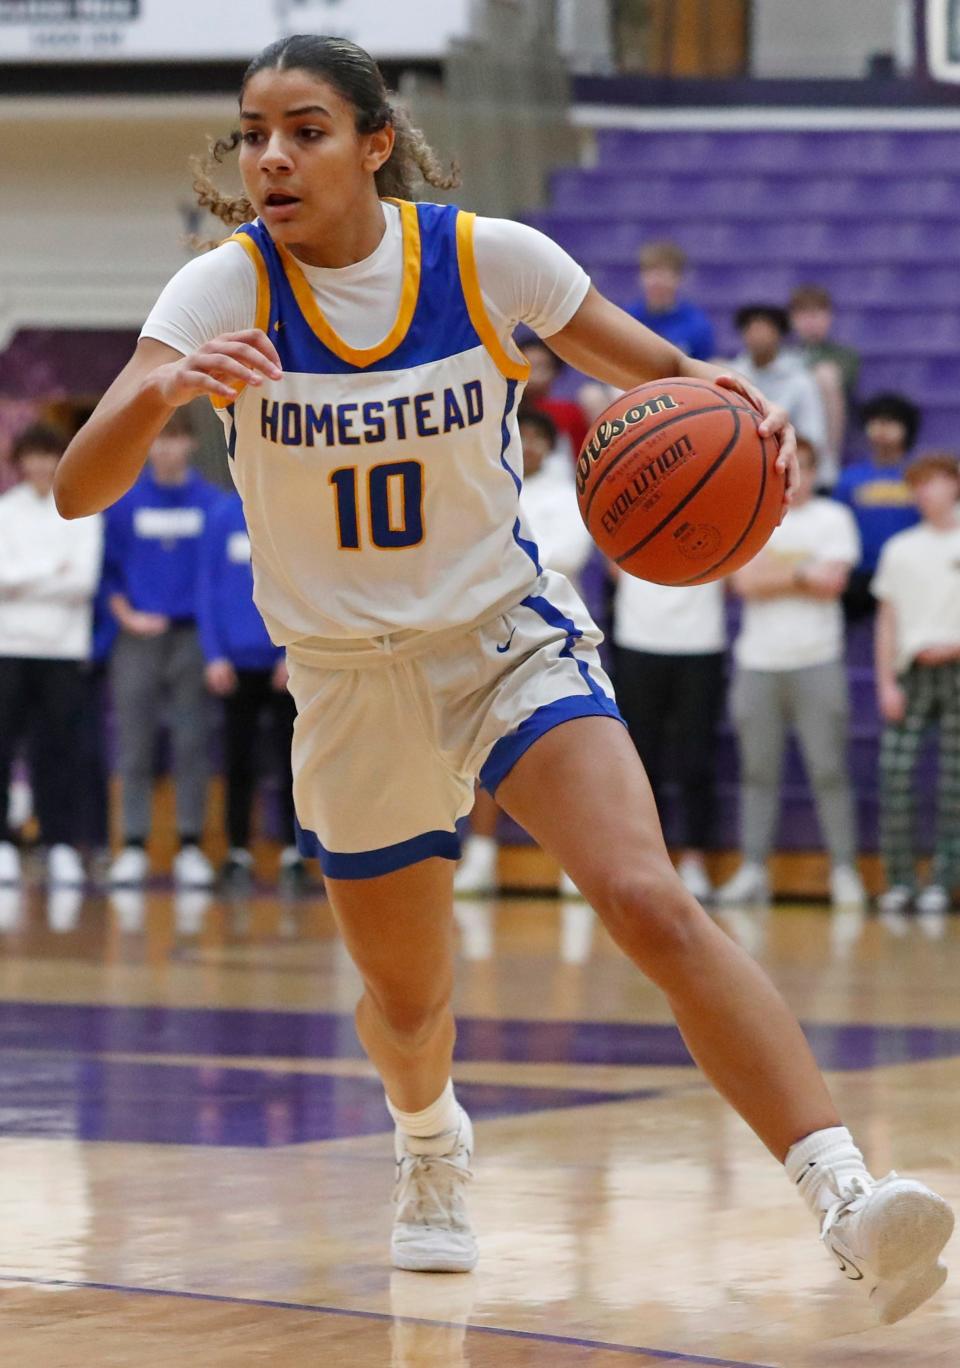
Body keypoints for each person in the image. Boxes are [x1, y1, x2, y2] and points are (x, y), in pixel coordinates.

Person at [53, 34, 952, 1321]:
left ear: (374, 143)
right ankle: (429, 1147)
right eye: (254, 133)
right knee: (409, 1007)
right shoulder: (220, 293)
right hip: (348, 681)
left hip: (500, 636)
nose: (270, 157)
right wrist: (163, 393)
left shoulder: (487, 260)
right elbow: (84, 487)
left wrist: (750, 420)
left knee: (649, 899)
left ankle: (847, 1199)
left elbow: (669, 378)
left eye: (304, 130)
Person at [719, 438, 866, 910]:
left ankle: (844, 871)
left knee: (829, 770)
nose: (795, 474)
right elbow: (744, 584)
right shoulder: (753, 516)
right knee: (757, 772)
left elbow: (833, 585)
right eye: (789, 465)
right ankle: (753, 870)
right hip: (758, 662)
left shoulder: (834, 519)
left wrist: (778, 577)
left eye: (804, 465)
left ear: (814, 471)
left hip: (817, 659)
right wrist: (803, 575)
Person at [454, 406, 593, 896]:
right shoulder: (490, 488)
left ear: (550, 447)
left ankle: (575, 866)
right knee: (485, 752)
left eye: (538, 437)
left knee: (569, 751)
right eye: (522, 434)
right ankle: (481, 856)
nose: (528, 444)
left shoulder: (568, 497)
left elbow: (566, 557)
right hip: (490, 633)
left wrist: (504, 561)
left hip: (555, 639)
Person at [101, 409, 221, 888]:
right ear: (149, 446)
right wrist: (127, 615)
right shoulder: (124, 503)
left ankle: (190, 844)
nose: (168, 449)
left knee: (192, 742)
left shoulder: (214, 505)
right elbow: (107, 572)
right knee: (135, 742)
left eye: (177, 439)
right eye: (160, 440)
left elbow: (220, 578)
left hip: (193, 637)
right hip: (138, 638)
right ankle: (132, 844)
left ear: (191, 444)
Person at [0, 424, 103, 886]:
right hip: (10, 646)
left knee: (60, 750)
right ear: (19, 461)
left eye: (49, 455)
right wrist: (49, 570)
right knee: (4, 748)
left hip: (64, 650)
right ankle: (4, 843)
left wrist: (25, 579)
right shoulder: (6, 511)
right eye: (33, 456)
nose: (41, 465)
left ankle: (59, 842)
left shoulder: (82, 509)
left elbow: (82, 582)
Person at [197, 488, 305, 890]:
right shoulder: (220, 515)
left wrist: (292, 654)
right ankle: (237, 850)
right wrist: (214, 655)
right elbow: (205, 588)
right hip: (234, 666)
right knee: (237, 761)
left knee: (293, 762)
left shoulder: (293, 510)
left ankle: (296, 851)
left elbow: (307, 588)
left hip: (284, 667)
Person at [872, 453, 960, 916]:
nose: (925, 492)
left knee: (954, 784)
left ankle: (943, 884)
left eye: (933, 482)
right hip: (912, 671)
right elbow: (886, 622)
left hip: (957, 668)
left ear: (953, 485)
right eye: (918, 484)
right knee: (897, 776)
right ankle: (902, 881)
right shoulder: (901, 548)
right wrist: (886, 682)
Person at [611, 574, 726, 902]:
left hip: (701, 643)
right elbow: (612, 564)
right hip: (637, 639)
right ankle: (644, 860)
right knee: (640, 762)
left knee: (696, 761)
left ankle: (694, 861)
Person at [834, 393, 921, 620]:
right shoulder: (849, 478)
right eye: (876, 420)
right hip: (860, 573)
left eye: (890, 421)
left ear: (906, 428)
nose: (882, 427)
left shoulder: (919, 477)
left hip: (908, 571)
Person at [732, 304, 831, 483]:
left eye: (764, 329)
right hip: (742, 466)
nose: (757, 336)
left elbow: (812, 436)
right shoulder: (731, 375)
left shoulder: (801, 380)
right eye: (751, 329)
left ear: (779, 334)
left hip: (788, 466)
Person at [788, 283, 860, 466]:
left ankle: (827, 463)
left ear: (829, 317)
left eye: (817, 313)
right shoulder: (784, 354)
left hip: (824, 427)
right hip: (792, 417)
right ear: (792, 319)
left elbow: (846, 381)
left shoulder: (845, 355)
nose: (811, 321)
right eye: (803, 314)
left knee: (826, 375)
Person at [626, 239, 716, 362]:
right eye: (650, 272)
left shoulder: (697, 324)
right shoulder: (628, 318)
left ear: (678, 278)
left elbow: (706, 366)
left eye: (662, 273)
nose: (655, 281)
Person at [517, 335, 589, 462]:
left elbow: (581, 458)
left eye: (541, 367)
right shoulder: (502, 411)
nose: (534, 375)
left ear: (555, 372)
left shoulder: (570, 413)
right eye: (527, 367)